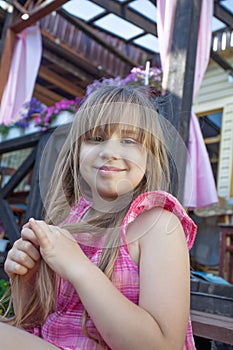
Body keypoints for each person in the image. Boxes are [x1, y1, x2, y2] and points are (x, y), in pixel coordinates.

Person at [0, 86, 197, 350]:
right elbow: (40, 324)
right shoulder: (69, 220)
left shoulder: (158, 225)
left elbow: (163, 346)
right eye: (96, 138)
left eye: (129, 140)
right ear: (77, 152)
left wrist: (79, 267)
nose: (110, 152)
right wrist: (28, 280)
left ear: (150, 157)